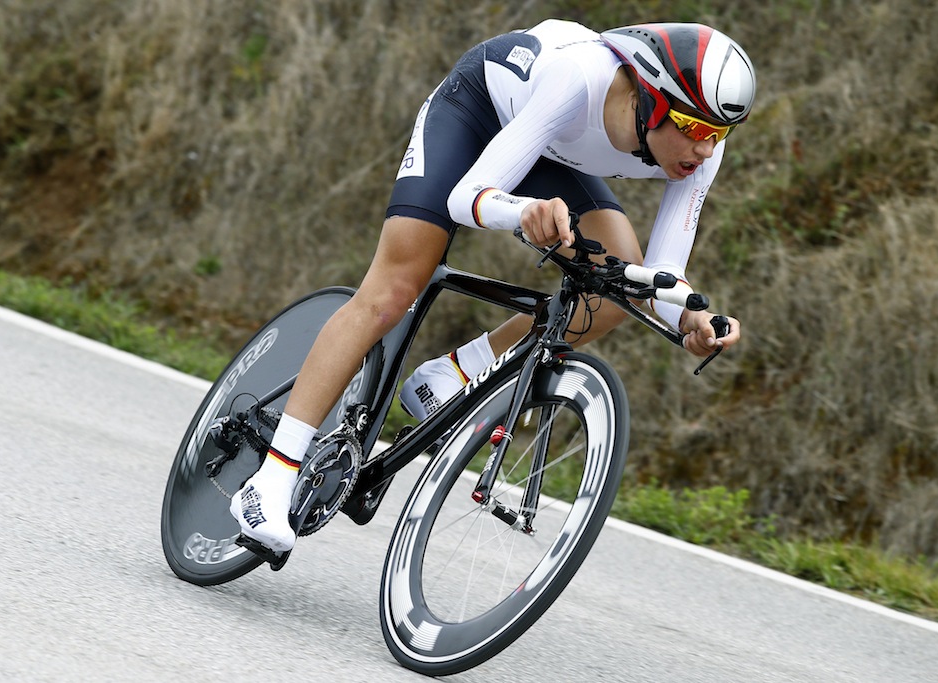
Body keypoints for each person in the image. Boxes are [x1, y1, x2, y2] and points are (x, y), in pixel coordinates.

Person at [230, 19, 756, 552]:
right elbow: (467, 197)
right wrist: (524, 211)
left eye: (718, 135)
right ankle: (271, 476)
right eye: (694, 128)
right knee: (393, 291)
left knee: (619, 285)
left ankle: (457, 370)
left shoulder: (698, 155)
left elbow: (661, 277)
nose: (706, 150)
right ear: (652, 101)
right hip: (476, 114)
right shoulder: (578, 79)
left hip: (549, 151)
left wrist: (691, 319)